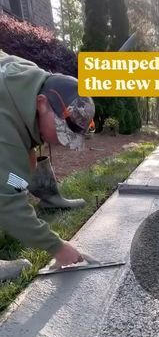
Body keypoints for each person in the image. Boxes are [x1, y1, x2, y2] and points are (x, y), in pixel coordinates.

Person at [0, 51, 95, 281]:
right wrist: (57, 247)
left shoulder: (29, 75)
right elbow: (7, 203)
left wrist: (18, 181)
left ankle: (35, 192)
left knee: (16, 176)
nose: (60, 143)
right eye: (61, 131)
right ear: (42, 104)